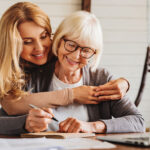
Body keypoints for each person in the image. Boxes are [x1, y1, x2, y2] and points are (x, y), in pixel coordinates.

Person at [0, 2, 129, 134]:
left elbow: (135, 120)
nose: (39, 48)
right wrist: (72, 94)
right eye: (27, 42)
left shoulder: (97, 75)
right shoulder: (27, 74)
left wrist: (125, 83)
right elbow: (10, 105)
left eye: (44, 36)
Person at [27, 11, 144, 133]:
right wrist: (27, 123)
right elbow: (6, 119)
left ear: (94, 53)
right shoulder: (36, 76)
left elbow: (138, 122)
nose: (76, 55)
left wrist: (91, 126)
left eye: (86, 50)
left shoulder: (101, 78)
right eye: (71, 44)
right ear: (59, 40)